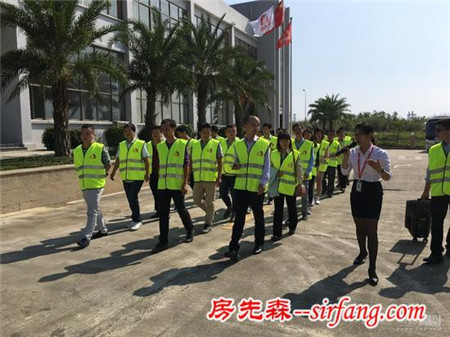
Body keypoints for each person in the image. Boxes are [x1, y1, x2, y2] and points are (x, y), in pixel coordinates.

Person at [341, 123, 392, 286]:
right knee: (359, 225)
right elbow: (344, 172)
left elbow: (388, 177)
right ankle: (362, 252)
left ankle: (372, 268)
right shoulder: (353, 152)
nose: (357, 138)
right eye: (355, 135)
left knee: (372, 229)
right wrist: (345, 158)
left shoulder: (380, 153)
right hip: (357, 189)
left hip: (373, 190)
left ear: (370, 135)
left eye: (360, 134)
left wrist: (379, 169)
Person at [224, 115, 270, 262]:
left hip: (257, 188)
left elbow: (267, 167)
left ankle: (259, 243)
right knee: (239, 219)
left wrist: (264, 183)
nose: (255, 128)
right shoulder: (237, 145)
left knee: (258, 216)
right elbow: (229, 164)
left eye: (257, 125)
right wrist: (234, 166)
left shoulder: (264, 144)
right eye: (252, 124)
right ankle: (233, 247)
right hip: (241, 188)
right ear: (244, 126)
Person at [151, 119, 195, 254]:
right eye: (162, 130)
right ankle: (163, 241)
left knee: (181, 209)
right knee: (163, 214)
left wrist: (185, 183)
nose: (164, 132)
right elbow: (158, 165)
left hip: (177, 185)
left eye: (166, 129)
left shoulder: (182, 144)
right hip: (163, 185)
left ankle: (190, 229)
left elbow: (186, 164)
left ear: (173, 129)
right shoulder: (160, 146)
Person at [73, 124, 111, 248]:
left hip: (97, 185)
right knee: (95, 208)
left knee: (91, 212)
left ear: (93, 134)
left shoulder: (100, 148)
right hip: (84, 184)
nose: (85, 136)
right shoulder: (77, 150)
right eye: (82, 133)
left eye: (88, 133)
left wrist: (102, 175)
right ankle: (103, 230)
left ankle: (86, 237)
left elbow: (108, 164)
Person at [110, 123, 150, 231]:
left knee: (132, 197)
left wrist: (147, 172)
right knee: (131, 199)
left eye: (129, 131)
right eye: (125, 131)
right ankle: (135, 218)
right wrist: (113, 172)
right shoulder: (122, 144)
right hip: (126, 177)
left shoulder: (141, 144)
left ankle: (137, 220)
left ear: (134, 131)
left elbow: (146, 159)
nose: (127, 133)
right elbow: (118, 160)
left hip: (137, 177)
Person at [421, 118, 450, 264]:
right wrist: (426, 190)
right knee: (437, 223)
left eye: (439, 130)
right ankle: (436, 253)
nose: (436, 133)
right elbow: (430, 172)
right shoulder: (434, 149)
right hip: (438, 192)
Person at [270, 133, 304, 241]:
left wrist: (300, 184)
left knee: (292, 208)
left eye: (287, 140)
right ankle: (277, 233)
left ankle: (292, 227)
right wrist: (275, 172)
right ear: (278, 142)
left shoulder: (295, 154)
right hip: (278, 186)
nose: (285, 143)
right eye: (282, 140)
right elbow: (269, 167)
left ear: (290, 141)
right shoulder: (273, 154)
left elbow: (299, 170)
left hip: (290, 186)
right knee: (278, 211)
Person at [190, 123, 223, 233]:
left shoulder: (216, 144)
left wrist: (219, 176)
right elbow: (190, 161)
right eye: (204, 132)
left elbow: (220, 161)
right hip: (198, 178)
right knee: (196, 200)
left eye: (208, 132)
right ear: (200, 133)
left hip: (210, 178)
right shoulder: (194, 145)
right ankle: (210, 213)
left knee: (210, 202)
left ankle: (208, 223)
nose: (206, 134)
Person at [292, 123, 314, 220]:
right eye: (295, 129)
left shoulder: (309, 144)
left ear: (302, 130)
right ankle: (292, 215)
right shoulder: (291, 143)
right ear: (293, 131)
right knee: (292, 196)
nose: (298, 131)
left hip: (304, 174)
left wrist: (308, 171)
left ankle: (304, 213)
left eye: (299, 129)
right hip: (292, 174)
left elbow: (311, 160)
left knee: (304, 195)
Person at [220, 124, 239, 221]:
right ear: (226, 133)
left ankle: (235, 213)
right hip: (224, 174)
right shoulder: (221, 143)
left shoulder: (240, 143)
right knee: (223, 194)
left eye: (233, 131)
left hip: (235, 175)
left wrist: (239, 164)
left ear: (236, 132)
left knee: (234, 195)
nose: (231, 133)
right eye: (229, 131)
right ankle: (229, 206)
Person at [147, 125, 162, 219]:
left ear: (161, 134)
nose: (155, 135)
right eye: (153, 133)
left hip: (163, 174)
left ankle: (164, 211)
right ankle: (158, 211)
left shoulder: (165, 144)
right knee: (155, 193)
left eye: (157, 133)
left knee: (162, 194)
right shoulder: (147, 145)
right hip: (153, 174)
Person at [262, 122, 277, 205]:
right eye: (263, 129)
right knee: (264, 180)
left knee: (271, 181)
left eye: (266, 128)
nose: (264, 130)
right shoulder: (260, 140)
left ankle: (270, 197)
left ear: (270, 129)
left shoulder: (275, 140)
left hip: (273, 164)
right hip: (263, 164)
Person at [323, 130, 341, 198]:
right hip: (324, 164)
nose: (330, 136)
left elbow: (338, 154)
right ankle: (324, 189)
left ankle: (330, 192)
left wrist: (329, 155)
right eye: (329, 135)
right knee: (322, 178)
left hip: (332, 164)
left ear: (334, 136)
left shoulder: (337, 143)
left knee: (331, 179)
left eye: (332, 135)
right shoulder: (324, 142)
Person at [313, 128, 329, 205]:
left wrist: (323, 158)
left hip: (321, 165)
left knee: (319, 181)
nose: (319, 135)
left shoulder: (326, 143)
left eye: (320, 133)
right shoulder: (311, 143)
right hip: (313, 165)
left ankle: (317, 197)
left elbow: (327, 155)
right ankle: (311, 197)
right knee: (312, 181)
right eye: (317, 133)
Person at [336, 127, 352, 191]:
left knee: (344, 173)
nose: (341, 134)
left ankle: (343, 185)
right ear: (337, 134)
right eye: (340, 133)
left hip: (346, 160)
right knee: (340, 173)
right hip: (338, 160)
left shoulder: (347, 141)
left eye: (343, 133)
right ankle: (341, 185)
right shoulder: (335, 141)